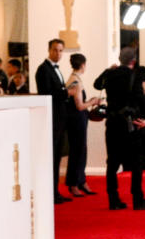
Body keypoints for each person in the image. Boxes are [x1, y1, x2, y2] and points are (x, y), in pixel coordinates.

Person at [93, 47, 145, 211]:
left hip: (112, 123)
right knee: (136, 163)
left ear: (119, 59)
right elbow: (141, 99)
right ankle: (138, 199)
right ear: (133, 61)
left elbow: (97, 84)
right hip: (129, 124)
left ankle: (113, 199)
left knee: (112, 163)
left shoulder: (110, 74)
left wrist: (107, 70)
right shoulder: (136, 75)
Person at [35, 39, 72, 204]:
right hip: (52, 119)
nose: (58, 54)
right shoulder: (43, 70)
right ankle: (51, 193)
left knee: (57, 157)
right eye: (55, 50)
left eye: (61, 51)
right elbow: (47, 94)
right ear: (49, 50)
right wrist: (66, 93)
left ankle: (55, 192)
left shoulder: (55, 69)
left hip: (59, 119)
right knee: (52, 157)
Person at [64, 53, 102, 198]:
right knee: (77, 151)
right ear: (83, 65)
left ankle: (81, 181)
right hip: (76, 119)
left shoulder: (74, 79)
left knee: (81, 150)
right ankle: (74, 183)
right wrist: (93, 102)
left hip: (79, 119)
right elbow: (79, 106)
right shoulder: (75, 81)